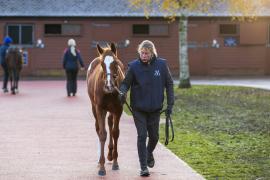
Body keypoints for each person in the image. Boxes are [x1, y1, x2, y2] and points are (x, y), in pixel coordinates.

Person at [119, 40, 174, 176]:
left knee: (154, 137)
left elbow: (169, 84)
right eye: (142, 53)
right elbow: (125, 83)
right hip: (139, 109)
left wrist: (170, 104)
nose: (143, 55)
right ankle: (143, 167)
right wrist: (122, 92)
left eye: (146, 53)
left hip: (155, 109)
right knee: (142, 136)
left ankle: (148, 153)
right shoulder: (133, 66)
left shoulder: (162, 65)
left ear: (152, 53)